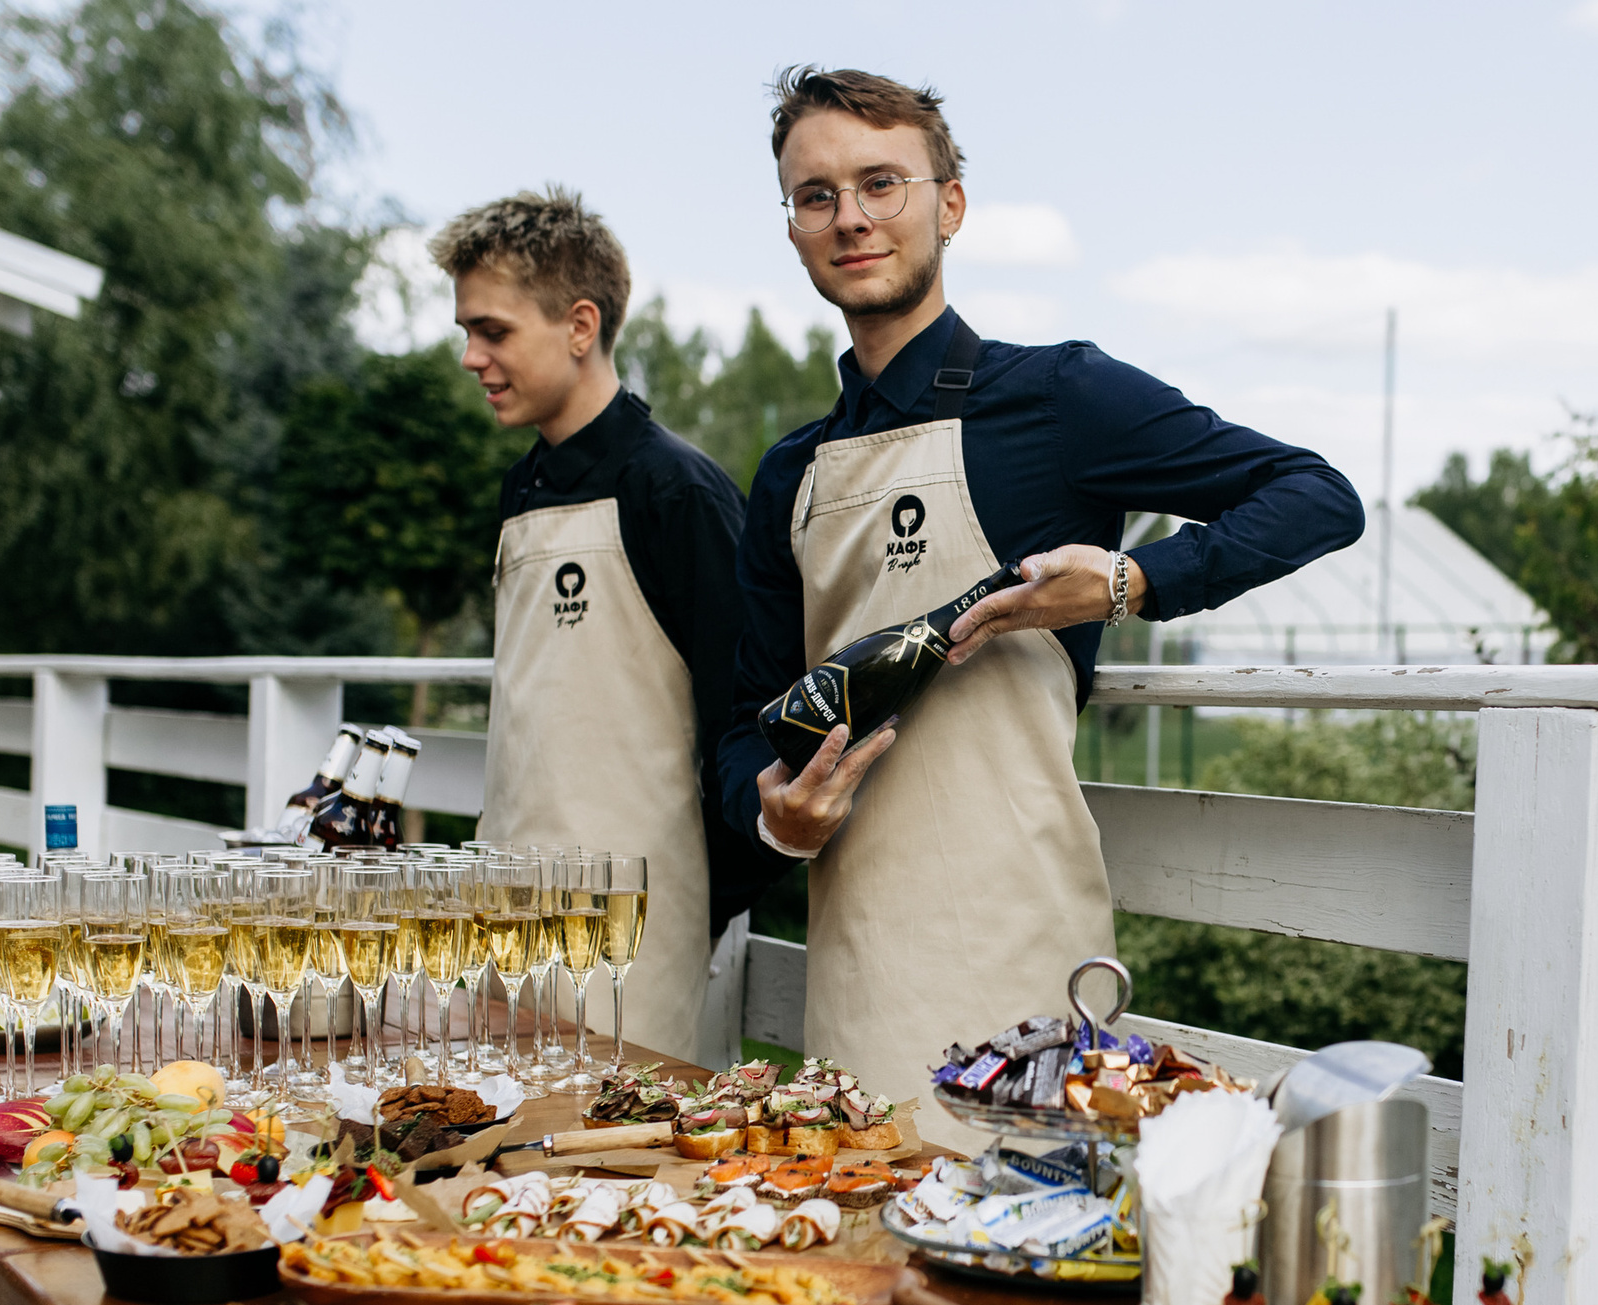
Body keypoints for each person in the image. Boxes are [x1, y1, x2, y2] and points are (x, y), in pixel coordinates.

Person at [714, 69, 1363, 1142]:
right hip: (855, 958)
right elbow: (747, 721)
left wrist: (1131, 582)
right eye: (816, 195)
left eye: (882, 182)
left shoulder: (1058, 397)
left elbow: (1313, 495)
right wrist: (773, 815)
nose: (852, 217)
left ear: (949, 204)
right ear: (792, 227)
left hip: (1025, 953)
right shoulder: (791, 472)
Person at [432, 188, 783, 1062]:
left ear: (580, 325)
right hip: (502, 915)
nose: (473, 356)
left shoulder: (678, 493)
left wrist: (687, 906)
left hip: (632, 938)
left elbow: (754, 719)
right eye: (467, 333)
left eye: (494, 331)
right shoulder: (522, 488)